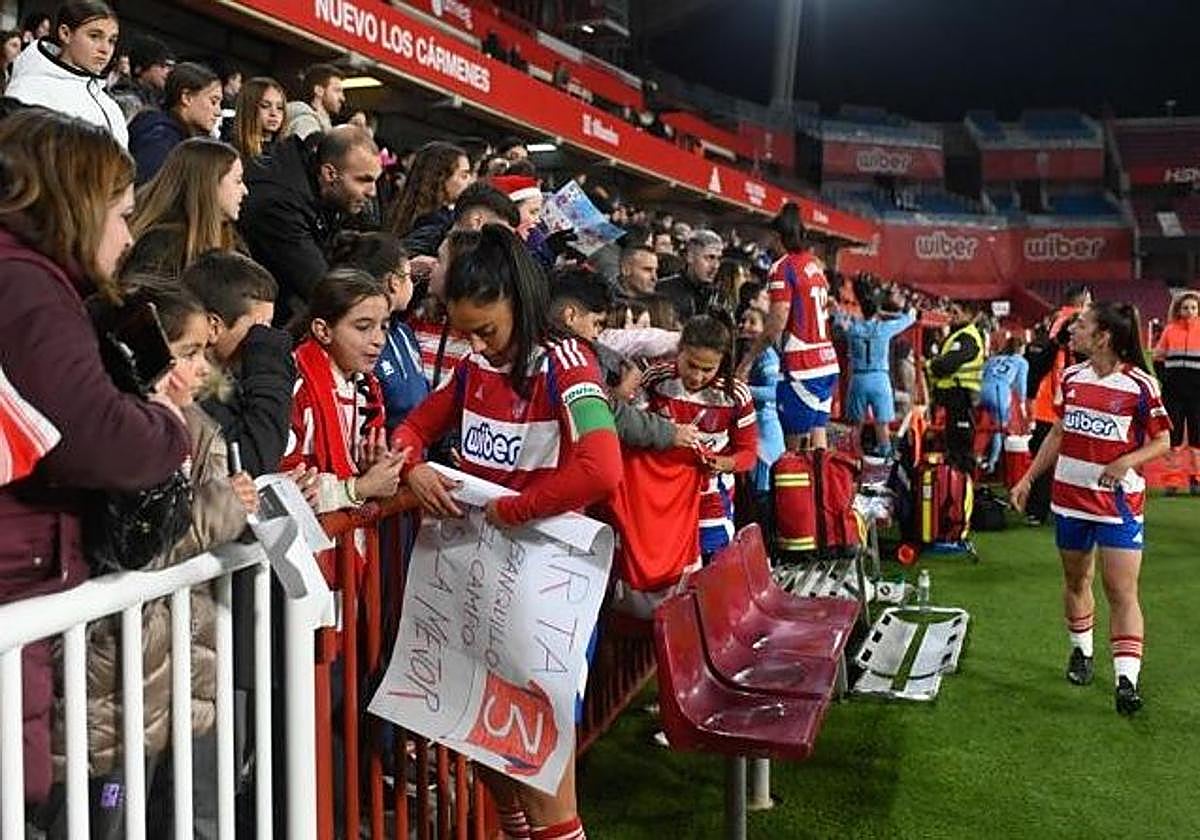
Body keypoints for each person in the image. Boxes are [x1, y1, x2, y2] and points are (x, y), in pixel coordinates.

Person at [391, 225, 621, 840]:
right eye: (467, 332)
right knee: (489, 754)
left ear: (518, 301)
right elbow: (411, 428)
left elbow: (603, 466)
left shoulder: (570, 364)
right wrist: (412, 469)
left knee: (542, 777)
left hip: (548, 598)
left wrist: (517, 509)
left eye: (487, 330)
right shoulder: (474, 367)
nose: (478, 345)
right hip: (482, 586)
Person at [0, 109, 189, 806]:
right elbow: (96, 437)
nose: (130, 235)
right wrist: (171, 424)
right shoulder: (25, 285)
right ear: (77, 205)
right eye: (121, 214)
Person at [42, 281, 256, 839]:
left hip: (185, 677)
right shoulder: (108, 438)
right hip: (112, 689)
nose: (201, 368)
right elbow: (134, 546)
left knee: (189, 820)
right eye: (187, 354)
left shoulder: (202, 427)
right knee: (105, 825)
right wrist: (223, 509)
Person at [1011, 303, 1171, 716]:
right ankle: (1081, 652)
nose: (1071, 332)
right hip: (1069, 498)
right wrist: (1028, 478)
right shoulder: (1069, 377)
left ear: (1103, 337)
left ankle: (1126, 681)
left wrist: (1124, 462)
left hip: (1117, 504)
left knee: (1121, 591)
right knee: (1077, 579)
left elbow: (1163, 441)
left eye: (1080, 326)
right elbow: (1060, 433)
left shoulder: (1139, 385)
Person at [280, 269, 410, 512]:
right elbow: (281, 488)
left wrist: (368, 467)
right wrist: (358, 488)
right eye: (363, 327)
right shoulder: (292, 386)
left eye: (383, 326)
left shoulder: (369, 388)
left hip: (350, 542)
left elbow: (360, 475)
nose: (379, 340)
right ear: (323, 330)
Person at [239, 124, 382, 325]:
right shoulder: (280, 203)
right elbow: (320, 290)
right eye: (364, 180)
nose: (372, 192)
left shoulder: (322, 191)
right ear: (329, 174)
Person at [641, 312, 757, 559]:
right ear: (679, 350)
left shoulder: (735, 394)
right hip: (662, 489)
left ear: (722, 362)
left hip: (711, 492)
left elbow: (748, 454)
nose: (696, 376)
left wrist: (725, 463)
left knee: (713, 559)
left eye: (708, 369)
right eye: (691, 365)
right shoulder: (654, 379)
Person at [182, 250, 295, 477]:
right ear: (214, 328)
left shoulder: (228, 379)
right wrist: (269, 366)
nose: (265, 339)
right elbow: (254, 459)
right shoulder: (188, 387)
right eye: (259, 328)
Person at [745, 201, 839, 451]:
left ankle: (791, 492)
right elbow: (826, 304)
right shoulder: (815, 265)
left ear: (778, 237)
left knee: (793, 452)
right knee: (818, 443)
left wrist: (747, 362)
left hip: (803, 366)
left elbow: (777, 322)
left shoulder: (782, 268)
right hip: (828, 363)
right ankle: (820, 490)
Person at [329, 232, 428, 430]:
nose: (413, 285)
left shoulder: (403, 333)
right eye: (410, 277)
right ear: (394, 282)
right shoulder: (351, 342)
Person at [122, 137, 247, 277]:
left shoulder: (231, 238)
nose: (245, 190)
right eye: (238, 181)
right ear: (209, 186)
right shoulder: (159, 248)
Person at [5, 1, 126, 146]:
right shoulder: (29, 89)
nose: (105, 49)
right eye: (94, 36)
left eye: (112, 40)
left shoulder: (112, 108)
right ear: (65, 33)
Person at [1026, 284, 1091, 523]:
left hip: (1054, 404)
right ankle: (1067, 507)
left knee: (1049, 456)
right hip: (1060, 405)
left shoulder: (1057, 324)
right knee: (1063, 456)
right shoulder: (1068, 324)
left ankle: (1040, 509)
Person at [836, 298, 916, 457]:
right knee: (882, 425)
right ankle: (886, 460)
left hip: (859, 379)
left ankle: (851, 459)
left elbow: (838, 320)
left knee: (855, 426)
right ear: (877, 312)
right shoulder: (884, 328)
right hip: (880, 378)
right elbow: (909, 318)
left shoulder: (853, 329)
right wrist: (888, 313)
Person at [128, 61, 223, 185]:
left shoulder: (180, 137)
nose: (218, 112)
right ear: (186, 98)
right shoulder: (159, 138)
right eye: (213, 102)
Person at [927, 300, 987, 470]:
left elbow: (946, 365)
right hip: (955, 399)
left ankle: (960, 487)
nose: (951, 316)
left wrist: (933, 365)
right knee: (954, 445)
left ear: (968, 315)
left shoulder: (967, 338)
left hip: (962, 397)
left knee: (960, 448)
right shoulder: (958, 335)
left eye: (956, 312)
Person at [1153, 290, 1200, 495]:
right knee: (1174, 438)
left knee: (1198, 438)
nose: (1189, 311)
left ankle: (1196, 480)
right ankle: (1171, 482)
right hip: (1173, 394)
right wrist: (1165, 380)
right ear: (1179, 310)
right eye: (1185, 307)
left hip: (1198, 394)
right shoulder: (1170, 330)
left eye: (1193, 308)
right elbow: (1157, 358)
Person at [390, 140, 473, 254]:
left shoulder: (401, 209)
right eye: (463, 176)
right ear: (440, 178)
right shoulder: (439, 223)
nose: (470, 182)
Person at [738, 305, 784, 510]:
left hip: (767, 431)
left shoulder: (768, 357)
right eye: (743, 321)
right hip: (752, 429)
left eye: (752, 322)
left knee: (762, 494)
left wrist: (742, 389)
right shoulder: (746, 355)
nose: (745, 326)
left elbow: (775, 393)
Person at [979, 335, 1031, 473]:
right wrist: (1022, 403)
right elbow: (1021, 385)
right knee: (999, 429)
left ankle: (977, 456)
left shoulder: (993, 358)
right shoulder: (1021, 362)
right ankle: (992, 464)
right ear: (1021, 348)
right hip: (999, 392)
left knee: (980, 427)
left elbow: (981, 374)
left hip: (981, 391)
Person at [656, 228, 724, 322]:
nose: (716, 266)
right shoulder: (663, 291)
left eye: (718, 259)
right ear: (690, 257)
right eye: (710, 258)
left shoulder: (719, 296)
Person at [108, 32, 173, 120]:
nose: (168, 72)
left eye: (170, 67)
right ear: (140, 68)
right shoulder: (127, 101)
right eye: (162, 65)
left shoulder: (159, 102)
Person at [230, 76, 288, 162]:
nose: (274, 113)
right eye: (265, 106)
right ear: (248, 109)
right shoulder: (231, 154)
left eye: (279, 107)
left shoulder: (290, 152)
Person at [284, 62, 344, 141]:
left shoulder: (320, 124)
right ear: (319, 91)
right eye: (337, 90)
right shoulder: (306, 123)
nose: (342, 98)